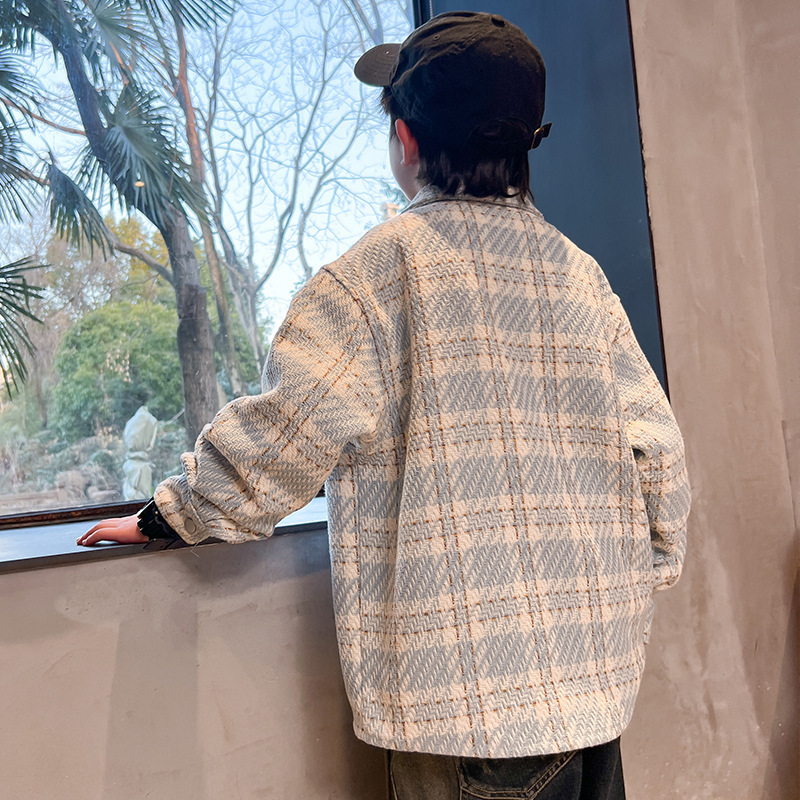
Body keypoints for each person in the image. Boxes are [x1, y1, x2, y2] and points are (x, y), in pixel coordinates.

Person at [79, 11, 690, 799]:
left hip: (467, 709)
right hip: (595, 691)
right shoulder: (579, 275)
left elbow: (285, 433)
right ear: (525, 142)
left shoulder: (374, 275)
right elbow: (658, 456)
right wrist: (639, 575)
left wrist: (173, 514)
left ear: (405, 139)